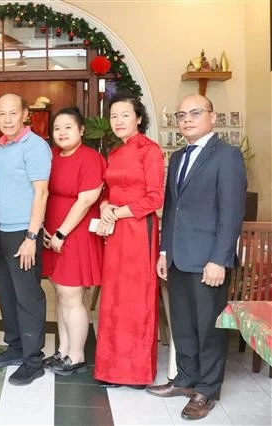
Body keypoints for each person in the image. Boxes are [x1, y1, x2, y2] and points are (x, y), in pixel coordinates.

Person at [146, 94, 246, 421]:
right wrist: (164, 250)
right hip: (178, 258)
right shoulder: (176, 158)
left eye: (195, 113)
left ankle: (207, 390)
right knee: (184, 326)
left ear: (212, 117)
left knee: (209, 329)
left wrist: (220, 259)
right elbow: (172, 210)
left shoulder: (227, 156)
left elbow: (231, 213)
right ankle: (186, 379)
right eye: (181, 115)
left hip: (208, 261)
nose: (187, 119)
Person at [93, 93, 165, 388]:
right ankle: (111, 369)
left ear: (138, 118)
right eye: (114, 116)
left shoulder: (150, 151)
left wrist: (119, 211)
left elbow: (155, 197)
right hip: (116, 231)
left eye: (125, 115)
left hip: (139, 230)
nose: (118, 121)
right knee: (114, 299)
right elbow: (109, 189)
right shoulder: (115, 152)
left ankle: (137, 372)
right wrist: (105, 205)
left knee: (138, 299)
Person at [0, 93, 51, 386]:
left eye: (13, 113)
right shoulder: (0, 146)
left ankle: (32, 360)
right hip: (1, 231)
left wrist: (31, 236)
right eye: (2, 114)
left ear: (25, 114)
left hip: (23, 233)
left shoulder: (35, 146)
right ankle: (14, 347)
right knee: (7, 293)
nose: (7, 119)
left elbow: (41, 192)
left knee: (28, 297)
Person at [41, 107, 106, 375]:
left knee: (72, 294)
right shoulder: (51, 156)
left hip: (74, 233)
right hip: (52, 231)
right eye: (57, 128)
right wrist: (47, 230)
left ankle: (77, 355)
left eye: (68, 127)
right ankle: (62, 350)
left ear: (81, 130)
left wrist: (61, 233)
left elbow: (87, 200)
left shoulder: (91, 158)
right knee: (59, 293)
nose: (62, 132)